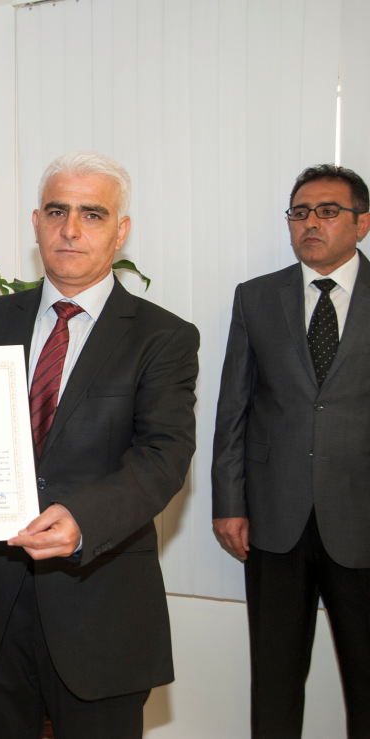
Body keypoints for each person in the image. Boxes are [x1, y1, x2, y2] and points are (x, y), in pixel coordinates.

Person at [0, 151, 199, 739]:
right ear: (36, 223)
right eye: (57, 212)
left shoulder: (163, 337)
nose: (71, 229)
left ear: (120, 231)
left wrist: (83, 519)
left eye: (92, 214)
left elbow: (162, 457)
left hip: (101, 606)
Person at [212, 164, 370, 739]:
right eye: (300, 213)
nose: (311, 223)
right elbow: (233, 408)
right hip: (275, 521)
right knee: (275, 683)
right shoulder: (256, 297)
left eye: (328, 211)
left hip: (362, 520)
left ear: (362, 223)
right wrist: (229, 503)